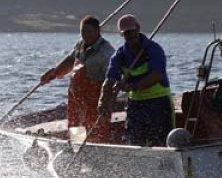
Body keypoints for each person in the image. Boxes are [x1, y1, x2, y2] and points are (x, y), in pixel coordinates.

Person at [98, 14, 173, 147]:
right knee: (133, 141)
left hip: (158, 103)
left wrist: (132, 86)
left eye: (131, 31)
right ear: (122, 35)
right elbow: (109, 80)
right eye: (126, 33)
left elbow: (157, 75)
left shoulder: (154, 49)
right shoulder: (119, 55)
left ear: (138, 28)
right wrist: (103, 101)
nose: (130, 35)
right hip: (136, 106)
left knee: (160, 142)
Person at [40, 15, 115, 142]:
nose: (86, 35)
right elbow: (70, 61)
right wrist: (53, 73)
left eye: (89, 32)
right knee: (76, 129)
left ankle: (97, 151)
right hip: (77, 99)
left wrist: (106, 101)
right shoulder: (80, 45)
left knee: (95, 130)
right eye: (83, 32)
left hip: (95, 101)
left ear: (98, 31)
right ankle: (76, 148)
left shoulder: (106, 52)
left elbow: (112, 79)